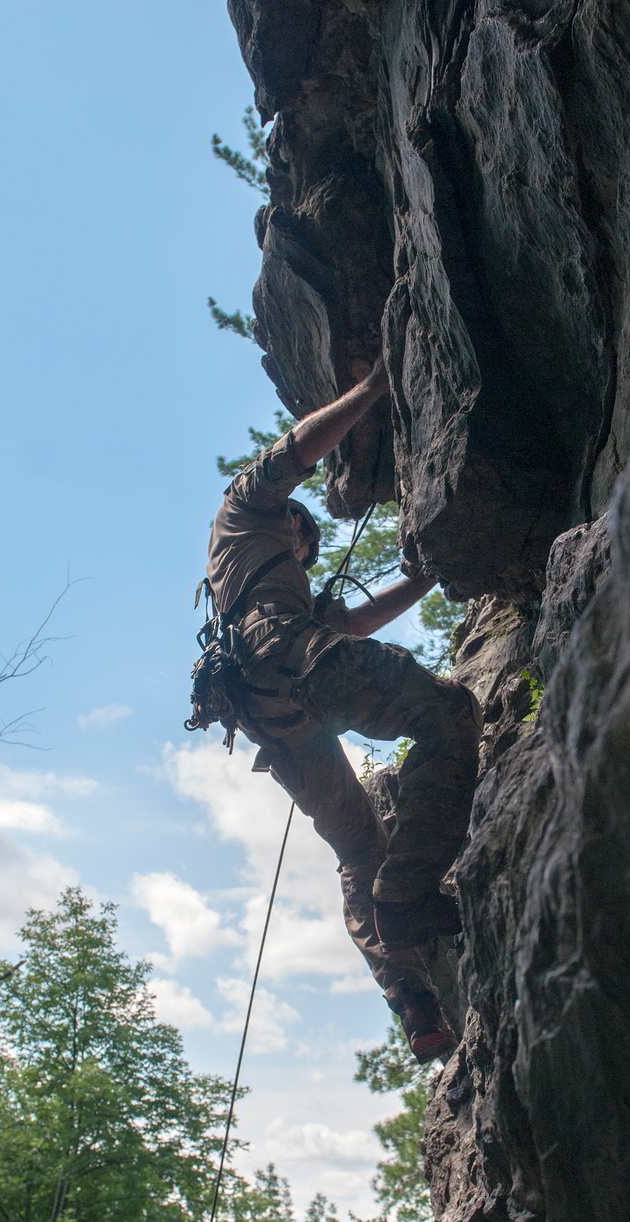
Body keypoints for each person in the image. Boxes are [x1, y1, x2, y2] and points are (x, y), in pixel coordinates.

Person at [204, 358, 481, 1062]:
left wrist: (423, 578)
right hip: (295, 665)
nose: (306, 546)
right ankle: (409, 892)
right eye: (305, 536)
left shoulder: (264, 587)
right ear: (290, 522)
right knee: (449, 714)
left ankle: (413, 998)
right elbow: (294, 451)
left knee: (360, 848)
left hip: (279, 719)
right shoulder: (245, 510)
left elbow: (354, 628)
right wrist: (372, 390)